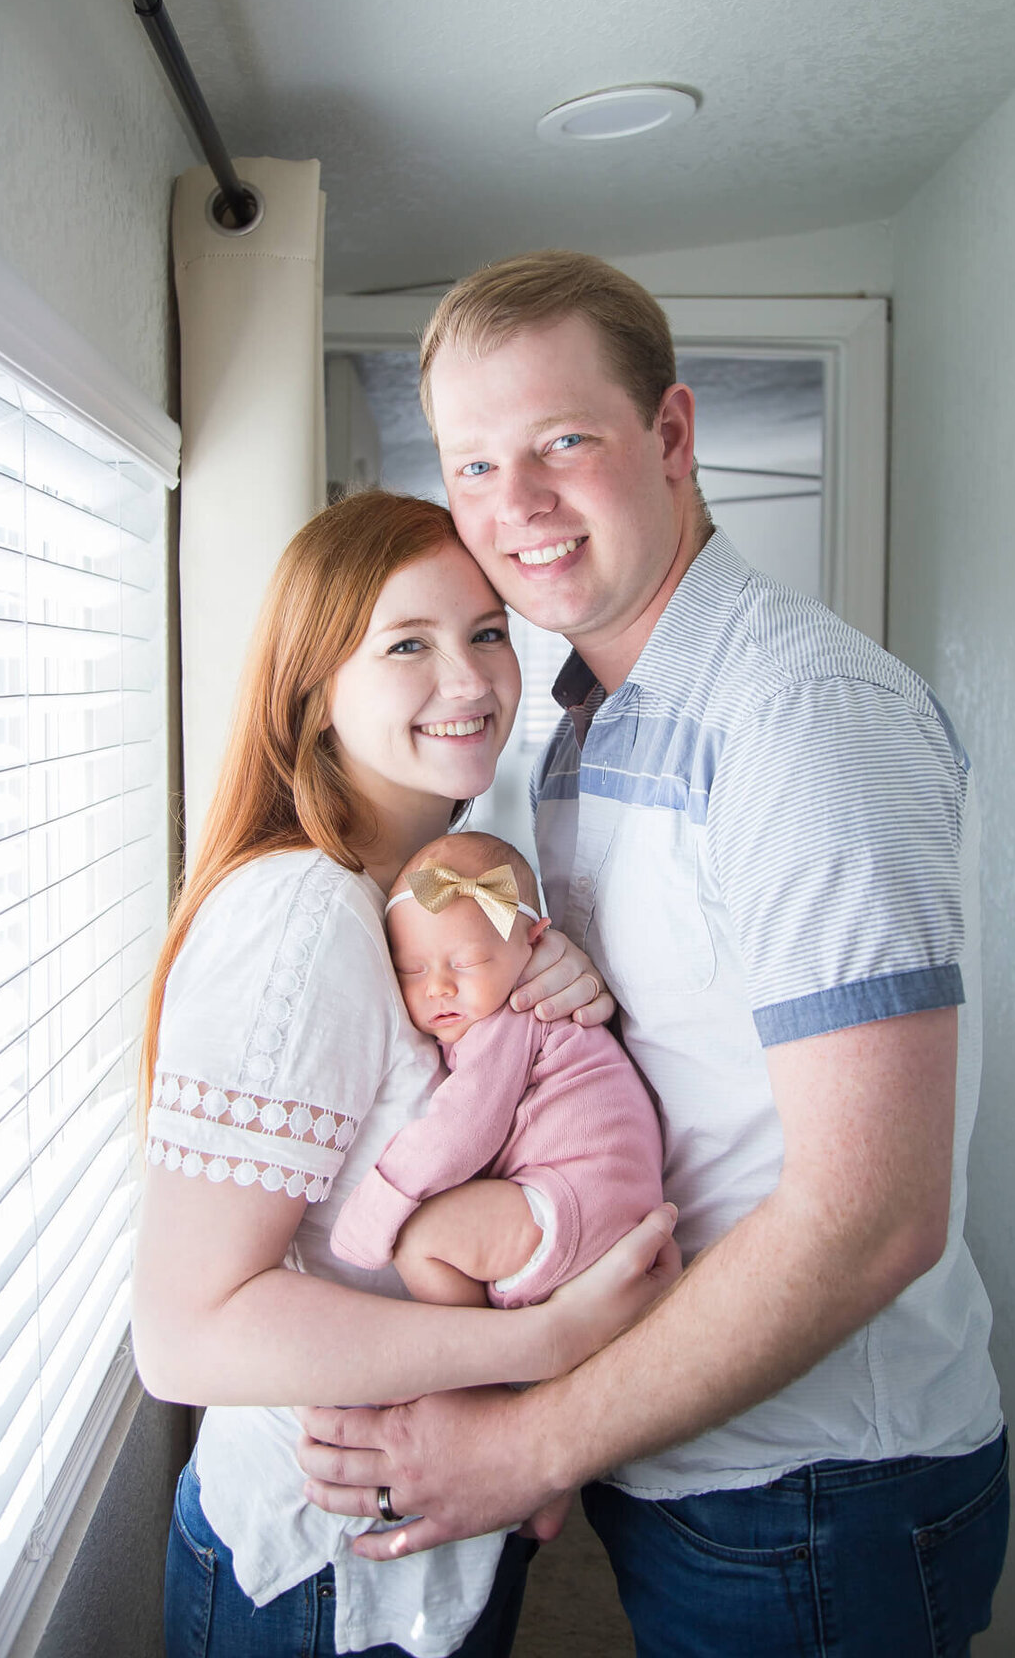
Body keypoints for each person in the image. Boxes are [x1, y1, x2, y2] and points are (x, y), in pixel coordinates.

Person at [296, 253, 1010, 1657]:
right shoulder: (582, 725)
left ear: (673, 437)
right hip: (690, 1448)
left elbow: (874, 1216)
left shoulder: (795, 719)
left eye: (565, 441)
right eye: (476, 462)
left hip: (813, 1491)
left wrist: (530, 1439)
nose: (519, 507)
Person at [131, 488, 679, 1658]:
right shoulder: (303, 916)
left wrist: (548, 989)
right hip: (327, 1573)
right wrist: (540, 1356)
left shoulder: (425, 895)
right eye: (408, 645)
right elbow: (183, 1335)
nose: (473, 681)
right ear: (313, 690)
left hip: (434, 1529)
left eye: (487, 631)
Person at [330, 828, 665, 1308]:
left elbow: (461, 1129)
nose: (439, 987)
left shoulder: (516, 1014)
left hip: (581, 1199)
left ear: (535, 945)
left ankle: (474, 1372)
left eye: (467, 963)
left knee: (420, 1241)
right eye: (412, 969)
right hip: (602, 1198)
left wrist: (372, 1211)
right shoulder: (496, 1013)